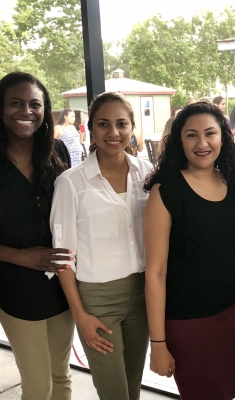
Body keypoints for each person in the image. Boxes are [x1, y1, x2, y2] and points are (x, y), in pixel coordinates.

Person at [142, 102, 235, 399]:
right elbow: (156, 273)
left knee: (231, 390)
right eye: (191, 135)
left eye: (210, 133)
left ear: (223, 137)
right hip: (188, 322)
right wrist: (158, 343)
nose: (202, 143)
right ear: (179, 141)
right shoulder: (165, 192)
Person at [50, 92, 153, 400]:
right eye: (103, 124)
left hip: (142, 293)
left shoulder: (147, 174)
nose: (113, 132)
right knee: (113, 391)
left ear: (132, 127)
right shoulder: (71, 183)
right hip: (97, 300)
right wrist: (80, 315)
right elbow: (63, 259)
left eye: (121, 124)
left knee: (133, 383)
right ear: (91, 128)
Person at [0, 71, 74, 400]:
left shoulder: (58, 152)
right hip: (14, 288)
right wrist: (20, 256)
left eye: (35, 104)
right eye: (16, 103)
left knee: (61, 377)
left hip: (61, 286)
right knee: (38, 386)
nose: (26, 111)